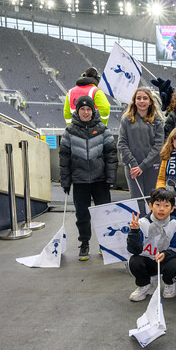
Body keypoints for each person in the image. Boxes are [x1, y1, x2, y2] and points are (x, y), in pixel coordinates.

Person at [59, 95, 117, 260]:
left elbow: (111, 155)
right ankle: (84, 243)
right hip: (80, 181)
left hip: (100, 181)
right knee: (82, 215)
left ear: (93, 110)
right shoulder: (69, 131)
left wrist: (110, 178)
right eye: (82, 109)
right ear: (77, 111)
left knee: (104, 214)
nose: (85, 112)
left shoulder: (103, 129)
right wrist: (65, 181)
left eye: (88, 109)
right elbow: (64, 158)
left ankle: (105, 244)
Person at [126, 188, 176, 301]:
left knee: (174, 263)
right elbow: (134, 250)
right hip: (147, 261)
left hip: (164, 261)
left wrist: (165, 254)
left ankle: (169, 284)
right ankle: (145, 285)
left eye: (166, 206)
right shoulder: (141, 223)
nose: (161, 209)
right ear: (150, 206)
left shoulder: (174, 225)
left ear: (172, 209)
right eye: (158, 204)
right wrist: (134, 232)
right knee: (134, 261)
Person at [117, 88, 164, 199]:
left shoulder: (157, 121)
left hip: (152, 167)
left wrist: (143, 166)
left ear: (151, 101)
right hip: (132, 168)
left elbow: (158, 146)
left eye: (145, 98)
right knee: (137, 199)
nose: (142, 101)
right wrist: (134, 165)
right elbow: (122, 144)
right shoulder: (126, 120)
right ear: (134, 101)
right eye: (139, 98)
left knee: (151, 199)